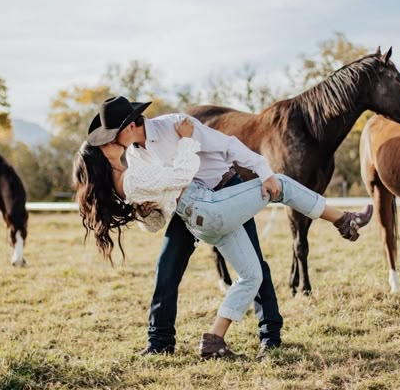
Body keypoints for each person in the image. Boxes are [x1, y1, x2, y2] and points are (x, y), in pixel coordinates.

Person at [73, 96, 373, 359]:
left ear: (128, 127)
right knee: (166, 269)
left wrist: (263, 170)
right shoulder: (135, 157)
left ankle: (270, 336)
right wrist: (148, 211)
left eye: (112, 135)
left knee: (256, 267)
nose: (110, 143)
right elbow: (159, 192)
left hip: (226, 190)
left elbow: (229, 146)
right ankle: (159, 342)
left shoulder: (176, 126)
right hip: (187, 208)